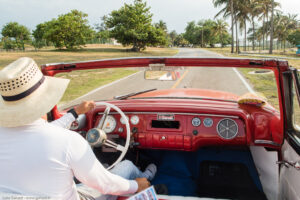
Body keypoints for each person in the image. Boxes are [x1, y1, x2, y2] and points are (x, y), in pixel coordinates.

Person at [0, 57, 155, 200]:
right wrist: (135, 185)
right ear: (46, 100)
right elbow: (104, 184)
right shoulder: (67, 141)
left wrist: (74, 113)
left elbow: (41, 131)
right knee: (126, 167)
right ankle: (146, 179)